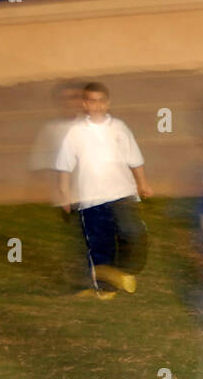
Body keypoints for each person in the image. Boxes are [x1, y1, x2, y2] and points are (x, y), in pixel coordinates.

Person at [54, 82, 150, 298]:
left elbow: (135, 158)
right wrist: (64, 192)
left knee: (131, 231)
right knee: (99, 243)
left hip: (122, 194)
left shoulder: (119, 128)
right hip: (91, 199)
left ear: (107, 103)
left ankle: (125, 271)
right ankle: (106, 288)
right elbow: (64, 165)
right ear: (85, 104)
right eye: (91, 101)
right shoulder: (75, 132)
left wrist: (142, 183)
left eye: (100, 101)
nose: (96, 105)